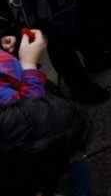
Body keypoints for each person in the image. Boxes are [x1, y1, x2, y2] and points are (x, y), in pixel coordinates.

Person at [0, 26, 91, 196]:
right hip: (34, 148)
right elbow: (33, 116)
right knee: (71, 164)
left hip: (38, 142)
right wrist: (28, 65)